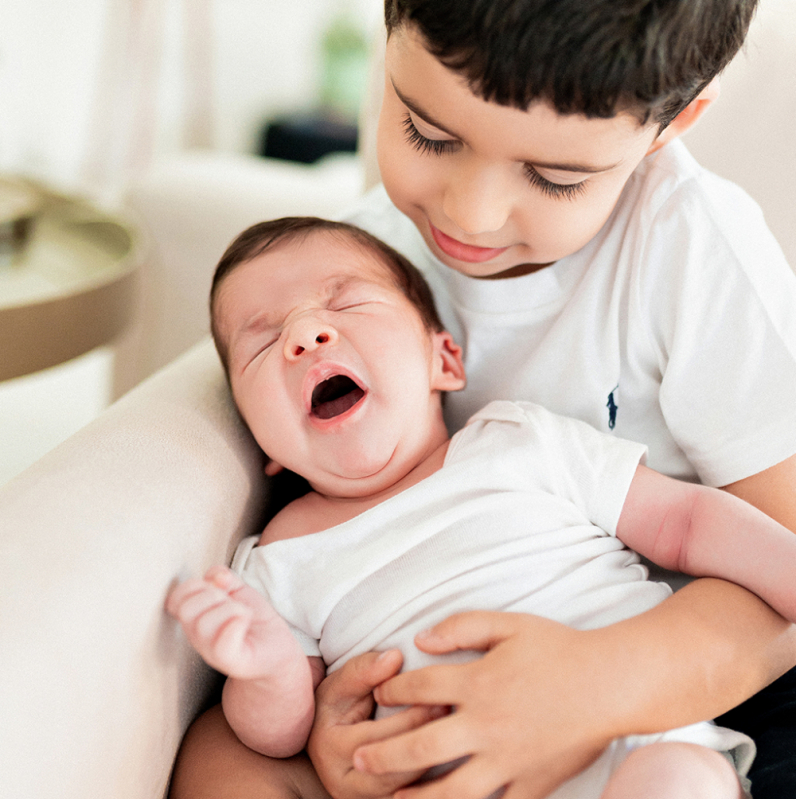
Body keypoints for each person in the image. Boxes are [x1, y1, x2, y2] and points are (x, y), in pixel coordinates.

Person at [169, 3, 796, 799]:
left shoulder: (691, 248)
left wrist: (588, 690)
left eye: (555, 175)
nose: (469, 213)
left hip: (702, 661)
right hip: (425, 712)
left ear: (668, 126)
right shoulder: (355, 264)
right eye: (429, 133)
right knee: (216, 752)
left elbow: (777, 572)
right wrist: (327, 728)